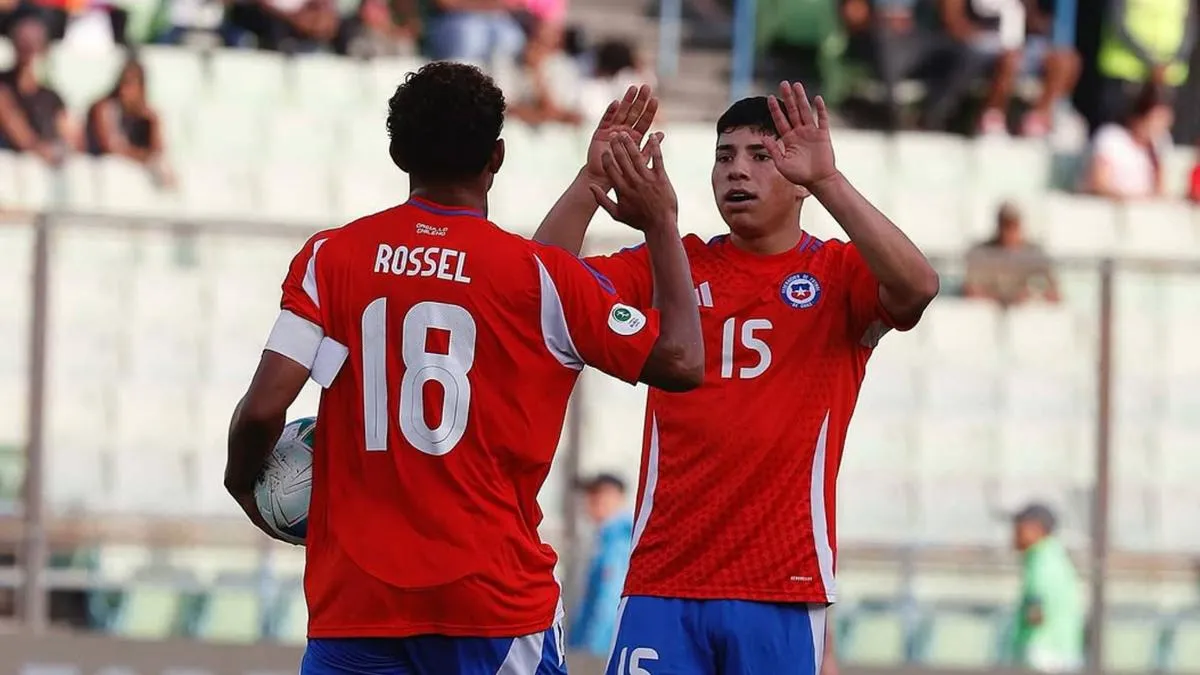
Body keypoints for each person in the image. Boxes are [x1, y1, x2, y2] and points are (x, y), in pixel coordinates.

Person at [224, 63, 704, 674]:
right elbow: (683, 360)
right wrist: (661, 223)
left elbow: (266, 406)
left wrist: (244, 483)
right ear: (496, 156)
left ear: (398, 153)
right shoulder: (538, 279)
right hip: (494, 605)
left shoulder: (331, 257)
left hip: (357, 604)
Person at [535, 82, 939, 675]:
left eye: (760, 155)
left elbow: (919, 287)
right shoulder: (672, 262)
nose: (736, 172)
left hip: (781, 583)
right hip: (663, 580)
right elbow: (540, 284)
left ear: (799, 176)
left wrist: (830, 181)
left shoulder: (836, 272)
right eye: (724, 157)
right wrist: (590, 182)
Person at [1007, 503, 1084, 672]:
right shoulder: (1056, 557)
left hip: (1044, 653)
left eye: (1019, 529)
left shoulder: (1041, 560)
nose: (1013, 536)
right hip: (1063, 649)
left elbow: (1036, 607)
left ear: (1036, 529)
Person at [567, 474, 634, 659]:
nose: (591, 502)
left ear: (616, 497)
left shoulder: (617, 539)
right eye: (590, 495)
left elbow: (610, 598)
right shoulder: (605, 537)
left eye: (598, 494)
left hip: (601, 651)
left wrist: (591, 649)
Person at [0, 15, 82, 164]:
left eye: (34, 44)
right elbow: (20, 135)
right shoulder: (3, 87)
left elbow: (73, 138)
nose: (29, 50)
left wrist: (60, 150)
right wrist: (41, 150)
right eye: (23, 43)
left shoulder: (52, 96)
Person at [85, 55, 174, 187]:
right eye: (126, 83)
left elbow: (158, 150)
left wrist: (152, 122)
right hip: (102, 173)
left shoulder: (145, 116)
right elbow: (112, 146)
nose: (127, 91)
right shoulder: (105, 108)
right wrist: (142, 158)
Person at [1082, 83, 1174, 199]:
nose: (1159, 129)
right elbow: (1098, 183)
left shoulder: (1159, 144)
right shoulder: (1110, 138)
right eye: (1156, 121)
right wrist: (1129, 199)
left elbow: (1160, 190)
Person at [964, 202, 1059, 306]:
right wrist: (1001, 300)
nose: (1009, 231)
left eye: (1013, 225)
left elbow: (1054, 295)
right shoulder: (982, 253)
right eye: (1005, 225)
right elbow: (970, 291)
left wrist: (1032, 296)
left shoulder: (1034, 255)